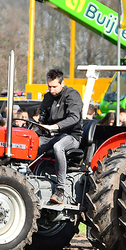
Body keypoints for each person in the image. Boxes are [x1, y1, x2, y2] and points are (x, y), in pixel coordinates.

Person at [37, 69, 82, 204]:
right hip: (51, 135)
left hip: (71, 136)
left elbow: (74, 117)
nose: (51, 90)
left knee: (58, 147)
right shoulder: (48, 97)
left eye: (54, 86)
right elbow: (42, 119)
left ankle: (60, 190)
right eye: (49, 86)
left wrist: (56, 126)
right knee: (32, 144)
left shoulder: (72, 95)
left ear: (62, 83)